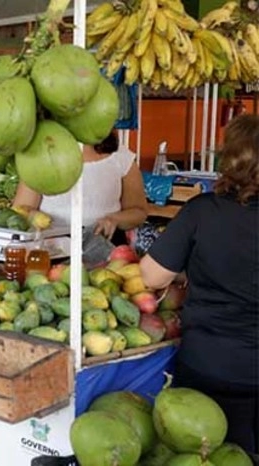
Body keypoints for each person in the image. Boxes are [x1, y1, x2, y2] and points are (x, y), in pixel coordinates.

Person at [140, 114, 258, 456]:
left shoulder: (202, 212)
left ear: (229, 160)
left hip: (212, 366)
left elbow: (151, 276)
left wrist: (193, 265)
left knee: (216, 456)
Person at [12, 131, 148, 245]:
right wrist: (38, 219)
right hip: (52, 247)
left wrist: (115, 219)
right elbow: (21, 209)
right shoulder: (41, 157)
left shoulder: (122, 158)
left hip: (107, 248)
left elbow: (139, 211)